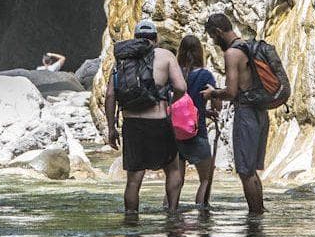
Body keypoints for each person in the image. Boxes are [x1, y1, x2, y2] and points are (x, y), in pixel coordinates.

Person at [103, 19, 189, 214]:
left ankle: (131, 219)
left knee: (133, 180)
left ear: (135, 38)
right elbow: (181, 87)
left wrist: (111, 128)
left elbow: (110, 95)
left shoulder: (123, 59)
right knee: (172, 170)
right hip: (159, 122)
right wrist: (170, 104)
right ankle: (172, 213)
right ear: (156, 39)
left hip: (132, 124)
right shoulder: (165, 55)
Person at [199, 13, 267, 215]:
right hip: (261, 111)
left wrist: (212, 93)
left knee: (245, 172)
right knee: (251, 170)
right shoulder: (248, 47)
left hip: (246, 113)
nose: (214, 41)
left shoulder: (232, 54)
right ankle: (260, 214)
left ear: (218, 32)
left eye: (213, 36)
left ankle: (254, 218)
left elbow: (231, 92)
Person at [176, 34, 220, 208]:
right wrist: (207, 108)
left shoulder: (175, 73)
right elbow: (217, 105)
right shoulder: (205, 75)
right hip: (196, 132)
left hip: (174, 133)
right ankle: (202, 215)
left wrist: (203, 111)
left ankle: (170, 214)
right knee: (205, 179)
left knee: (176, 181)